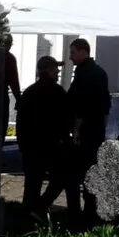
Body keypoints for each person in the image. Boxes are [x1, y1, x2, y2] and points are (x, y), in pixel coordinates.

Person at [64, 37, 113, 222]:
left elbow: (81, 105)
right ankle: (92, 211)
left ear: (83, 51)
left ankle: (78, 214)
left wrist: (76, 130)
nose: (71, 57)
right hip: (97, 130)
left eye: (73, 53)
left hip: (84, 132)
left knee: (75, 174)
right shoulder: (100, 72)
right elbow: (106, 105)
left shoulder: (85, 74)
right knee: (92, 172)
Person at [17, 55, 69, 218]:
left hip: (32, 145)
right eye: (55, 69)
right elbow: (64, 119)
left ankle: (28, 213)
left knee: (32, 182)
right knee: (60, 178)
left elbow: (21, 121)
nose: (58, 73)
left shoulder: (30, 92)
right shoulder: (57, 92)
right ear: (46, 70)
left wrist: (22, 143)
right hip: (51, 145)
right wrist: (65, 140)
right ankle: (39, 207)